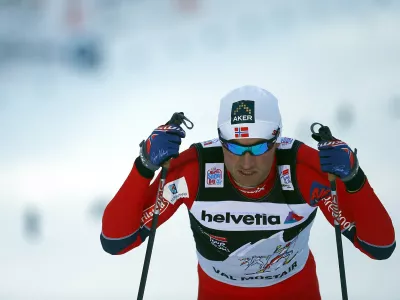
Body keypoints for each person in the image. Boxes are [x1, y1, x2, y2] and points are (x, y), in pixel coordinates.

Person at [100, 85, 396, 299]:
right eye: (233, 147)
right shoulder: (196, 170)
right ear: (220, 141)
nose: (246, 162)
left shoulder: (304, 171)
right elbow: (116, 240)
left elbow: (379, 246)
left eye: (258, 147)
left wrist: (355, 180)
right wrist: (143, 166)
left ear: (277, 140)